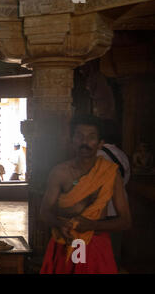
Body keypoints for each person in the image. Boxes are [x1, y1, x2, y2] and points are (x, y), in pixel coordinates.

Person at [40, 115, 132, 274]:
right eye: (79, 136)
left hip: (96, 244)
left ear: (100, 143)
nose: (85, 142)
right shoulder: (59, 173)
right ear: (71, 140)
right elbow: (44, 213)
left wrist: (91, 225)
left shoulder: (110, 173)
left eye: (91, 137)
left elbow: (125, 221)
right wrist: (61, 225)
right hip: (65, 241)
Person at [97, 119, 131, 269]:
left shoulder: (98, 155)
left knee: (100, 257)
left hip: (104, 213)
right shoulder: (121, 154)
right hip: (120, 208)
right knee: (113, 256)